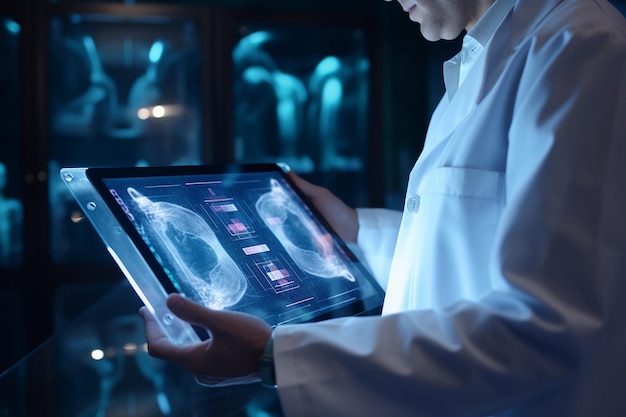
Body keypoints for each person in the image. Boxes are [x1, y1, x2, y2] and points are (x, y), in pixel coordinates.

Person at [139, 0, 626, 415]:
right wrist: (352, 231)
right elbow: (472, 260)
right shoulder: (487, 58)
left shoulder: (579, 45)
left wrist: (272, 355)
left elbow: (545, 330)